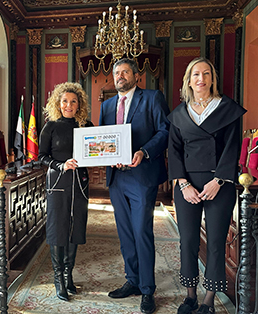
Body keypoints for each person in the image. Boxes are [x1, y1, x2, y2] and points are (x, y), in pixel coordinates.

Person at [167, 57, 246, 314]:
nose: (201, 79)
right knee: (188, 240)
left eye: (206, 74)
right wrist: (183, 184)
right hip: (187, 185)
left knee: (215, 241)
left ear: (213, 78)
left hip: (219, 184)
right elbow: (175, 151)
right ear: (188, 81)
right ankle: (190, 295)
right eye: (195, 75)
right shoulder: (179, 114)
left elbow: (233, 148)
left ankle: (208, 301)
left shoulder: (228, 109)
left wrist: (219, 180)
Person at [99, 58, 170, 314]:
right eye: (116, 72)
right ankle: (132, 280)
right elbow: (103, 140)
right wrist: (106, 156)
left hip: (142, 176)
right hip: (117, 178)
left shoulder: (152, 98)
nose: (120, 76)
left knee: (141, 231)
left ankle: (148, 289)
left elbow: (164, 131)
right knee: (125, 232)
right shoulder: (107, 105)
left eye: (125, 72)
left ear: (136, 76)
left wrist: (143, 152)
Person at [39, 82, 93, 301]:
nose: (68, 105)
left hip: (80, 182)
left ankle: (69, 275)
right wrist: (60, 165)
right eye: (64, 101)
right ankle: (58, 278)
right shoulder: (50, 127)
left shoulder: (86, 125)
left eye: (73, 101)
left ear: (79, 104)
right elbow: (41, 156)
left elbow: (97, 150)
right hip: (58, 181)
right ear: (57, 103)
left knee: (76, 226)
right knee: (57, 227)